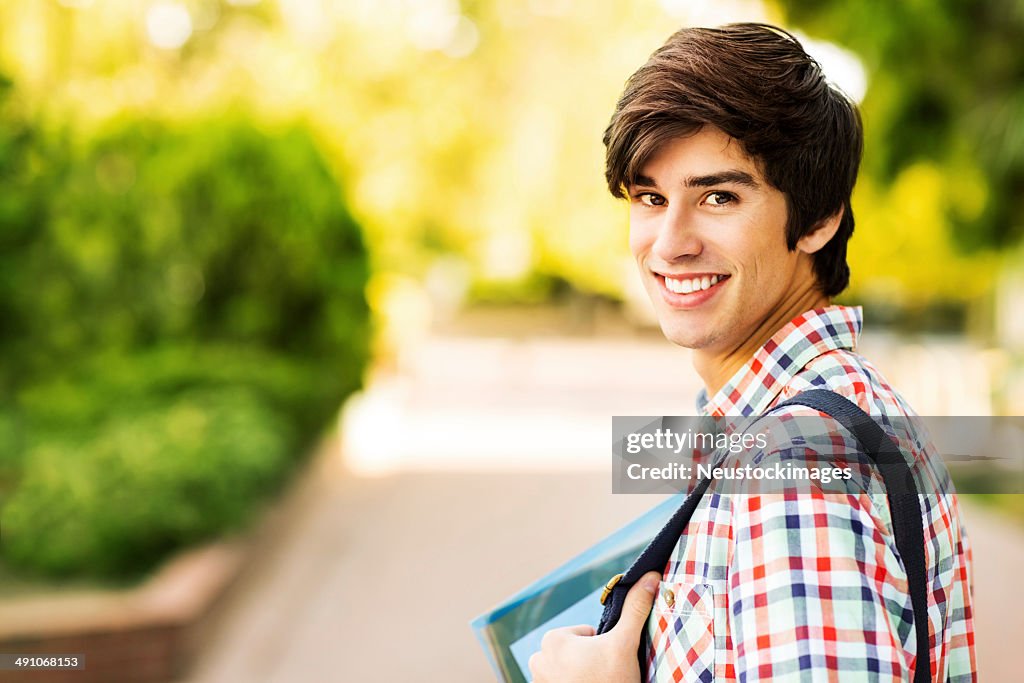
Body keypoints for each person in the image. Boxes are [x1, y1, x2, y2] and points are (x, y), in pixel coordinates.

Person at [528, 22, 976, 682]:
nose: (670, 242)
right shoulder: (809, 417)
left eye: (718, 196)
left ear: (819, 217)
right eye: (650, 197)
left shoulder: (796, 464)